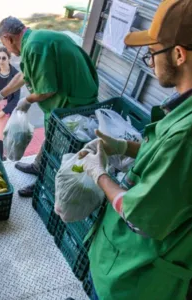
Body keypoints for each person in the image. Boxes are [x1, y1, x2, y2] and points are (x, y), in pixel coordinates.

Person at [79, 0, 192, 299]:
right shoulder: (184, 110)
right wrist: (123, 147)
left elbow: (137, 215)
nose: (150, 62)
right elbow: (169, 161)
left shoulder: (187, 133)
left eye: (152, 53)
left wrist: (99, 173)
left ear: (178, 54)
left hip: (139, 276)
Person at [0, 16, 99, 197]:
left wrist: (26, 102)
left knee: (60, 148)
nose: (6, 48)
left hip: (74, 102)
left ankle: (44, 184)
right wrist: (1, 94)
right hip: (75, 93)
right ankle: (38, 165)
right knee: (52, 137)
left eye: (3, 44)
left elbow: (47, 91)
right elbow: (25, 74)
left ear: (8, 38)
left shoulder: (35, 48)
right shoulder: (36, 38)